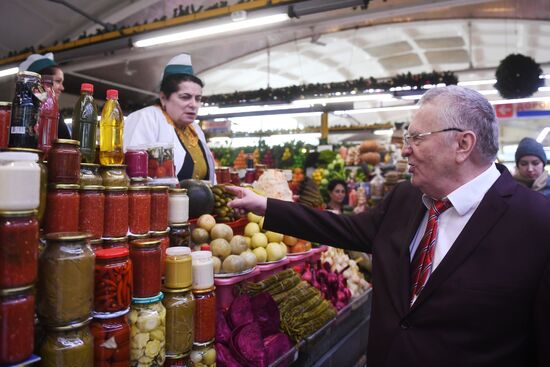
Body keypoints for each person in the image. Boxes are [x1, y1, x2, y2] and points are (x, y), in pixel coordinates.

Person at [227, 85, 550, 367]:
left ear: (463, 144)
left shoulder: (537, 223)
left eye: (417, 138)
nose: (405, 148)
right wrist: (266, 206)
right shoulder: (407, 198)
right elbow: (346, 230)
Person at [124, 53, 216, 183]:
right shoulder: (145, 118)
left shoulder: (195, 129)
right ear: (163, 98)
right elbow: (131, 175)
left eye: (198, 98)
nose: (194, 104)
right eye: (185, 97)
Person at [19, 53, 71, 139]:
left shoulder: (53, 110)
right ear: (41, 81)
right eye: (58, 81)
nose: (62, 88)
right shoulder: (22, 110)